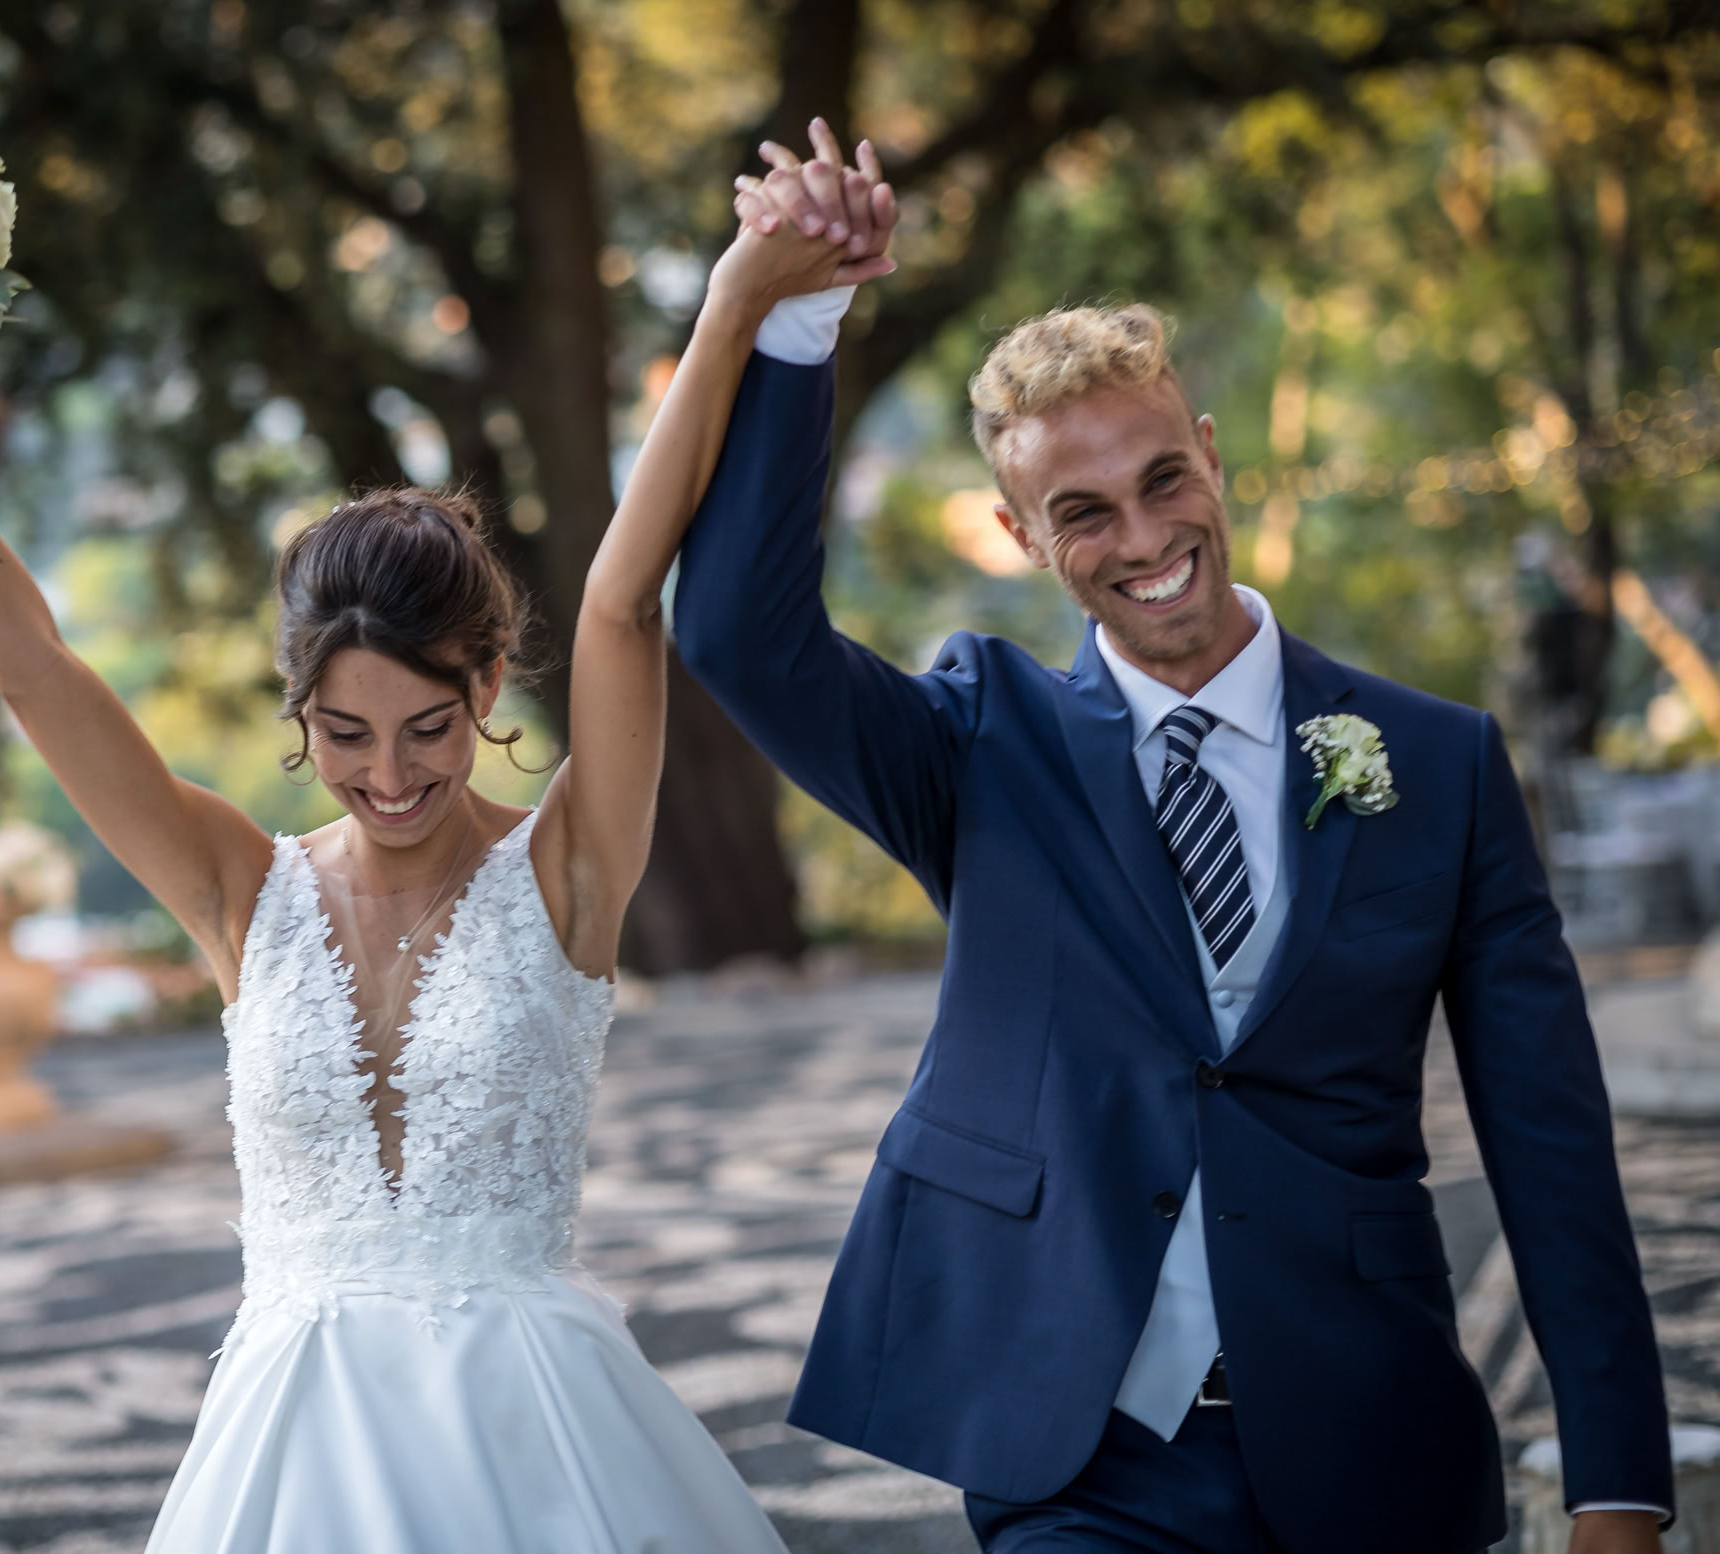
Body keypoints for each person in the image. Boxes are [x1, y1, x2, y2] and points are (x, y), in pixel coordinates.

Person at [0, 154, 891, 1552]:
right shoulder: (234, 888)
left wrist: (736, 297)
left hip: (538, 1446)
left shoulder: (567, 873)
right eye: (344, 731)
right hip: (287, 1451)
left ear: (491, 682)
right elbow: (31, 668)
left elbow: (623, 601)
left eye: (429, 727)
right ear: (297, 712)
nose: (391, 775)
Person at [685, 124, 1674, 1554]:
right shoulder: (977, 743)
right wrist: (793, 319)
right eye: (1079, 511)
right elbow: (731, 634)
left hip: (1370, 1443)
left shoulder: (1438, 764)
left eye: (1161, 478)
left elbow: (1549, 1140)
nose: (1142, 535)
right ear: (1020, 532)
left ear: (1208, 454)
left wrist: (1616, 1488)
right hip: (1080, 1455)